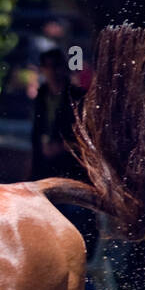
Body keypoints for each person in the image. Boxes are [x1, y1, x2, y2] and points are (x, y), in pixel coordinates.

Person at [30, 47, 99, 260]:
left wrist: (62, 147)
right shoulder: (42, 96)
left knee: (74, 220)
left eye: (56, 66)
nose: (53, 72)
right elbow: (37, 133)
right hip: (45, 169)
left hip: (72, 171)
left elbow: (87, 137)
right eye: (48, 67)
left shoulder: (77, 97)